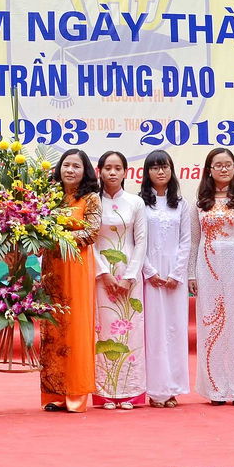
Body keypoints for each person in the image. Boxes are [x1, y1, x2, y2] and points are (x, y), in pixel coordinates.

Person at [189, 147, 234, 406]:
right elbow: (194, 241)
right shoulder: (200, 203)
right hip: (207, 269)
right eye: (218, 165)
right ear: (209, 170)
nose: (223, 169)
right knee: (211, 328)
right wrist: (191, 274)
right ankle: (215, 390)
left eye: (227, 164)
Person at [41, 149, 102, 413]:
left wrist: (59, 236)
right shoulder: (50, 197)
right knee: (53, 328)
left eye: (76, 166)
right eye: (66, 165)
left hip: (76, 265)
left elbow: (92, 232)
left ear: (85, 171)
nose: (70, 170)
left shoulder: (91, 198)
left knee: (76, 326)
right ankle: (55, 393)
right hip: (52, 267)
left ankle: (76, 395)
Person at [92, 150, 146, 409]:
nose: (112, 173)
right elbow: (89, 242)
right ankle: (105, 392)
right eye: (108, 168)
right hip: (100, 276)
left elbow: (141, 241)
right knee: (103, 330)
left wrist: (130, 276)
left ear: (126, 172)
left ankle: (130, 391)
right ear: (99, 171)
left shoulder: (136, 202)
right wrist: (103, 273)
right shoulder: (92, 202)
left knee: (131, 332)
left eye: (117, 168)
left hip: (130, 276)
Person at [140, 150, 191, 408]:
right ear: (146, 173)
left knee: (174, 329)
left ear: (172, 170)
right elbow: (137, 241)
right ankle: (155, 389)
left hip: (174, 277)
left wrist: (176, 273)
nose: (160, 172)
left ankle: (172, 388)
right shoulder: (140, 204)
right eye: (155, 168)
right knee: (154, 331)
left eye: (165, 167)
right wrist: (150, 272)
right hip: (149, 275)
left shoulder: (181, 204)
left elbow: (186, 241)